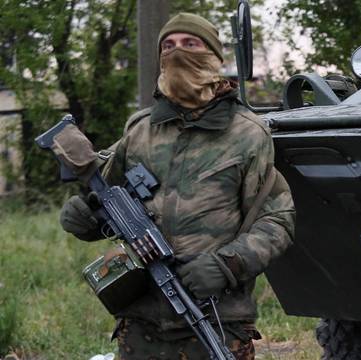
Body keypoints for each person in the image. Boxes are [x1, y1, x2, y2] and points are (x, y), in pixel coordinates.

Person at [59, 12, 295, 360]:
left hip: (216, 318)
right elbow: (105, 198)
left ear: (214, 57)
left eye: (190, 44)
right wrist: (86, 216)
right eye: (167, 46)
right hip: (141, 322)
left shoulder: (247, 133)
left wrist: (226, 265)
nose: (177, 52)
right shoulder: (139, 130)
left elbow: (278, 221)